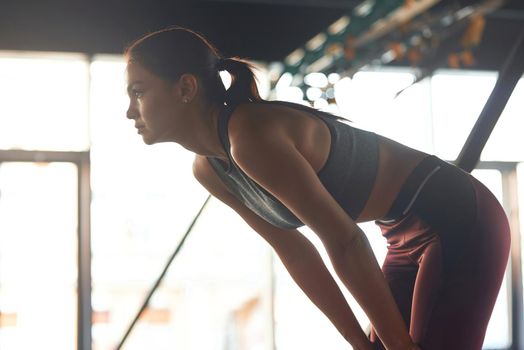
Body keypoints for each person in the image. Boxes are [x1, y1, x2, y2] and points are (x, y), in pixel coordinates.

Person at [123, 26, 510, 350]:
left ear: (185, 88)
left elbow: (344, 240)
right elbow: (296, 252)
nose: (130, 111)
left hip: (456, 217)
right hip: (400, 234)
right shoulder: (208, 169)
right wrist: (361, 344)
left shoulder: (250, 135)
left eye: (139, 91)